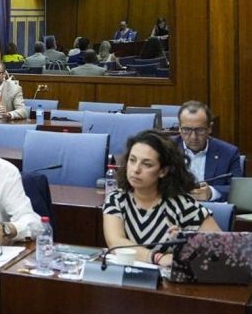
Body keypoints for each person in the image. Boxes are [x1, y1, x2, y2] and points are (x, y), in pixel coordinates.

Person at [103, 130, 219, 267]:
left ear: (163, 171)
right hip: (126, 277)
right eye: (132, 160)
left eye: (147, 164)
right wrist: (157, 257)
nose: (136, 169)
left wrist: (188, 242)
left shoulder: (183, 205)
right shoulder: (117, 199)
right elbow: (116, 243)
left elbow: (220, 248)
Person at [177, 101, 242, 202]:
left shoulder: (229, 153)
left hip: (211, 208)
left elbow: (238, 189)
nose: (193, 137)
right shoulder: (166, 149)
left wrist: (212, 192)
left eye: (200, 130)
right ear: (179, 128)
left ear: (210, 128)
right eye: (186, 130)